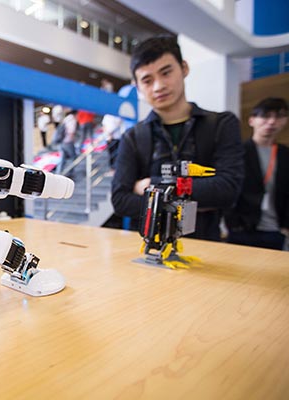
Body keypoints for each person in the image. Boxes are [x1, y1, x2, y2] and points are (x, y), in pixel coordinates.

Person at [111, 36, 244, 241]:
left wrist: (150, 185)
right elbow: (120, 201)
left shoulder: (221, 124)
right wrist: (195, 200)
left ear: (184, 68)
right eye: (147, 80)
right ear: (137, 86)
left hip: (206, 246)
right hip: (148, 246)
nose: (158, 86)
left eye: (166, 73)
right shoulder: (133, 137)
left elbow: (227, 191)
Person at [225, 98, 289, 250]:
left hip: (275, 229)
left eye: (279, 116)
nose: (272, 122)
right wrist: (232, 223)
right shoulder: (238, 152)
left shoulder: (285, 154)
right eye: (265, 116)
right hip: (242, 228)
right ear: (252, 120)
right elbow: (228, 187)